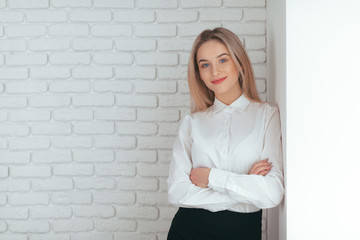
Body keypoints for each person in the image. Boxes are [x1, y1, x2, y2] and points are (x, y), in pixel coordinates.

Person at [166, 27, 284, 240]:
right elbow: (177, 192)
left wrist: (211, 177)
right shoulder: (192, 123)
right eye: (205, 65)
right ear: (199, 74)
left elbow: (273, 193)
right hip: (188, 230)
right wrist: (245, 187)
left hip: (242, 231)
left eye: (223, 60)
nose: (214, 72)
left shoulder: (267, 116)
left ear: (239, 62)